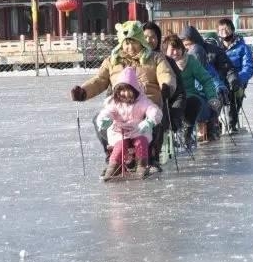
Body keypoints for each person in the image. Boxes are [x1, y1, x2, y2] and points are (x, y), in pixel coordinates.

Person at [70, 21, 176, 160]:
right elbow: (99, 80)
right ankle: (112, 153)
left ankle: (151, 153)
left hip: (145, 105)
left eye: (134, 42)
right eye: (126, 43)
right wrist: (83, 91)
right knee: (98, 119)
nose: (130, 47)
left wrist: (166, 86)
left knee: (155, 116)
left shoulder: (155, 58)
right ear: (121, 43)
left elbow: (166, 74)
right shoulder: (112, 61)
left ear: (141, 42)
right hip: (120, 108)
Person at [95, 67, 163, 181]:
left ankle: (142, 166)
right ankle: (113, 167)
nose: (125, 93)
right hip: (119, 131)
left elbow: (153, 110)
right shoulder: (114, 102)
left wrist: (150, 121)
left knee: (141, 141)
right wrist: (104, 119)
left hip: (138, 130)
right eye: (122, 90)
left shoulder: (142, 100)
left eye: (129, 90)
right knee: (120, 145)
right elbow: (107, 112)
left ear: (135, 89)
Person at [179, 26, 240, 140]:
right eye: (185, 45)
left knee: (215, 100)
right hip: (192, 94)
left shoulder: (210, 53)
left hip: (215, 87)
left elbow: (214, 75)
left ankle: (213, 125)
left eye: (189, 44)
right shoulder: (182, 59)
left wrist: (229, 81)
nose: (187, 48)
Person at [143, 21, 186, 172]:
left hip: (159, 106)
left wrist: (175, 114)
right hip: (133, 106)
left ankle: (153, 157)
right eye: (145, 37)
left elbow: (180, 92)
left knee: (158, 117)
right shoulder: (129, 61)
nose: (149, 41)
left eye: (153, 37)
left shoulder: (166, 61)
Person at [163, 35, 221, 144]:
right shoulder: (162, 63)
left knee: (194, 103)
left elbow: (206, 80)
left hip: (189, 94)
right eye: (172, 49)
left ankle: (188, 132)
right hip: (170, 96)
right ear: (165, 51)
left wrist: (212, 97)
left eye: (178, 49)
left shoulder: (190, 61)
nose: (175, 52)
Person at [216, 18, 253, 133]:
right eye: (221, 30)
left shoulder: (243, 48)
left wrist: (239, 78)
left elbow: (248, 67)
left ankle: (232, 122)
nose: (224, 32)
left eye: (227, 29)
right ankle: (215, 123)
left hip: (237, 80)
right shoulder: (216, 48)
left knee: (234, 94)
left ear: (232, 30)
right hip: (221, 80)